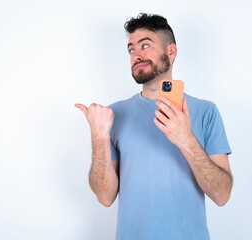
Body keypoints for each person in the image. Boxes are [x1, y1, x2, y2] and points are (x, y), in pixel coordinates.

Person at [75, 13, 233, 240]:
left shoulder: (206, 111)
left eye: (145, 45)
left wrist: (185, 138)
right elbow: (105, 197)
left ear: (171, 51)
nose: (136, 55)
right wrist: (99, 137)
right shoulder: (114, 114)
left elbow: (222, 195)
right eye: (131, 50)